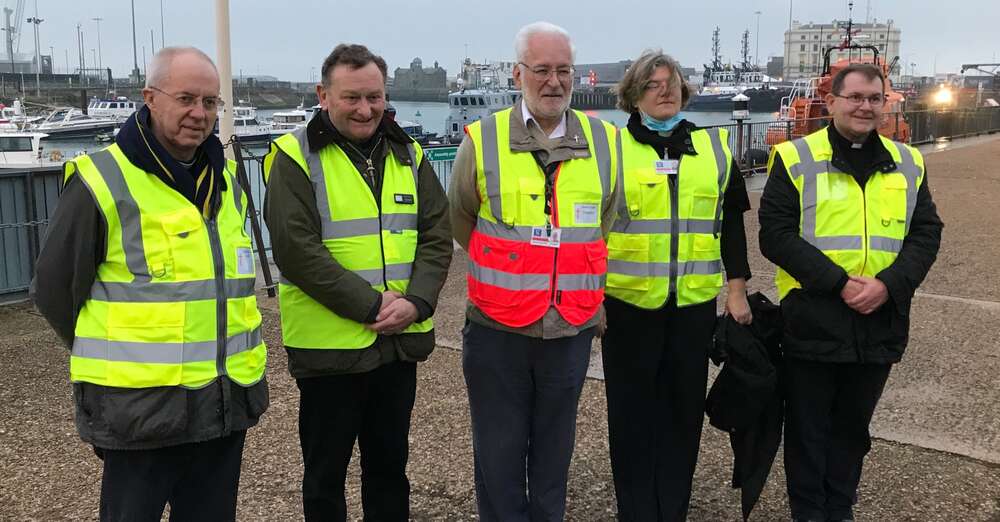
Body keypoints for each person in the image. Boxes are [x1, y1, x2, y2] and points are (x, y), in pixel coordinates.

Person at [30, 46, 268, 521]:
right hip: (139, 415)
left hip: (222, 406)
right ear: (150, 98)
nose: (198, 114)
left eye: (209, 102)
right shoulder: (103, 180)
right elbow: (55, 293)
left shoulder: (225, 183)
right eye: (185, 99)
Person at [263, 43, 452, 521]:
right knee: (325, 477)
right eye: (351, 98)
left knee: (390, 469)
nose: (366, 109)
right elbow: (295, 250)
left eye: (374, 97)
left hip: (398, 345)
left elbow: (436, 234)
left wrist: (418, 302)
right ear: (323, 95)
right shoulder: (293, 157)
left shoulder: (409, 153)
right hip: (330, 353)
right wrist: (370, 306)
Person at [449, 21, 620, 521]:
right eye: (541, 70)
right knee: (498, 458)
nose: (553, 82)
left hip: (569, 327)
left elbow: (605, 220)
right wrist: (513, 268)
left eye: (563, 70)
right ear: (517, 73)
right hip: (497, 328)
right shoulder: (481, 141)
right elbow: (462, 218)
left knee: (553, 458)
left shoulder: (603, 140)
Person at [759, 63, 943, 522]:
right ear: (832, 101)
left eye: (874, 99)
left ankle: (839, 507)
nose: (865, 106)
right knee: (807, 427)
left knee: (852, 427)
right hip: (814, 315)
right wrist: (840, 284)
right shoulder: (795, 157)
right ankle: (808, 510)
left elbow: (926, 232)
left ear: (885, 103)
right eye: (855, 97)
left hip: (880, 318)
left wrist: (889, 285)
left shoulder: (909, 161)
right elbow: (775, 235)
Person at [601, 49, 753, 521]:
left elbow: (730, 224)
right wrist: (589, 297)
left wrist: (737, 288)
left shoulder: (713, 149)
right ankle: (636, 508)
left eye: (671, 83)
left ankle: (673, 508)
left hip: (691, 307)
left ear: (684, 90)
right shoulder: (609, 152)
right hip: (627, 307)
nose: (664, 91)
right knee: (630, 418)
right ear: (633, 96)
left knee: (682, 416)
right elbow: (588, 231)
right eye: (652, 84)